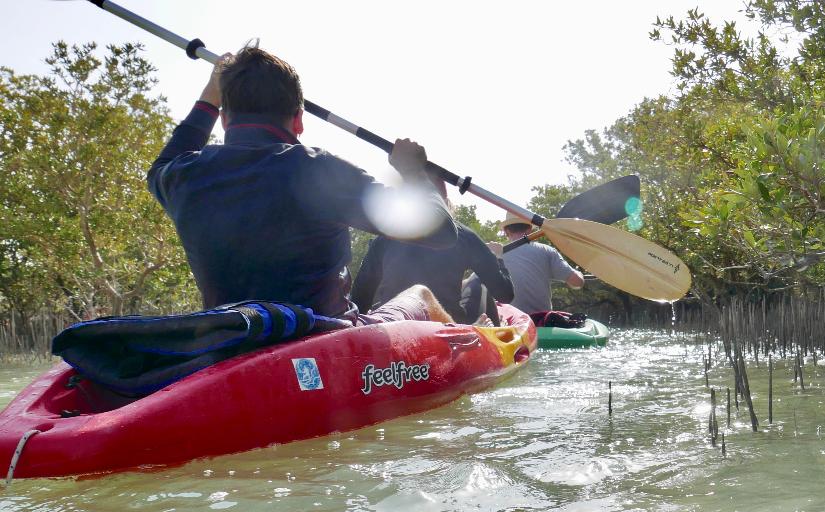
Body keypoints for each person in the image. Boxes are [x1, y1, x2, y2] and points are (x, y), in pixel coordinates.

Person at [147, 43, 458, 325]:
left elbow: (162, 164)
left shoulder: (185, 176)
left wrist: (210, 95)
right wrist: (414, 172)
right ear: (298, 119)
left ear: (225, 120)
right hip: (328, 339)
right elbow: (442, 232)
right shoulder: (319, 171)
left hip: (234, 343)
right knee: (420, 296)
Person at [351, 222, 514, 324]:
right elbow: (505, 294)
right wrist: (498, 258)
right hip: (446, 327)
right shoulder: (464, 236)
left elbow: (359, 301)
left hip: (393, 326)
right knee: (477, 280)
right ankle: (495, 341)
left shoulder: (383, 239)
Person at [498, 211, 584, 314]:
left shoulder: (495, 255)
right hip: (540, 322)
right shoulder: (547, 251)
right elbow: (577, 282)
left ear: (506, 231)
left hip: (509, 324)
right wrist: (579, 273)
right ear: (530, 229)